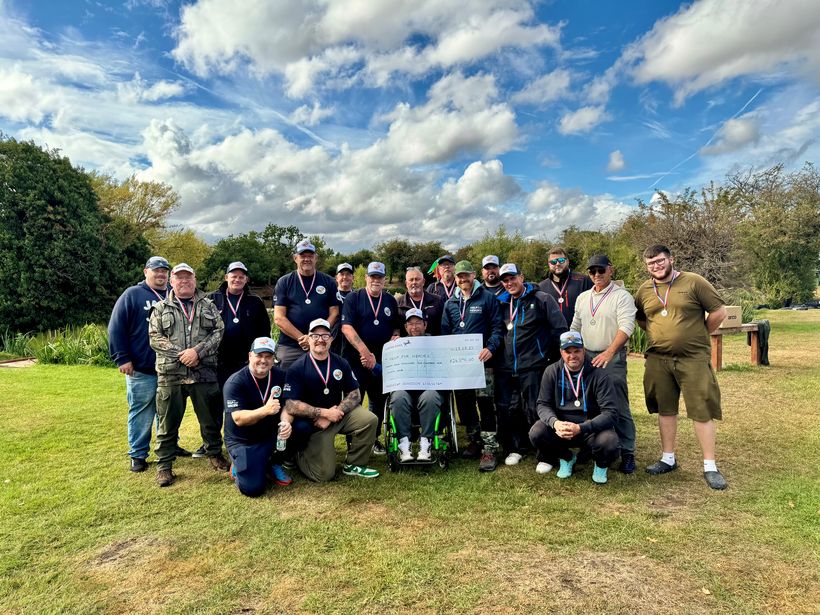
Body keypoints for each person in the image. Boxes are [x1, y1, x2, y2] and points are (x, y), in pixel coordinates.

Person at [634, 245, 728, 490]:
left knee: (702, 409)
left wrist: (700, 333)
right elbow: (642, 318)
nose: (656, 265)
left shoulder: (693, 282)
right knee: (665, 409)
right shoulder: (644, 290)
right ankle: (668, 458)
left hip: (693, 358)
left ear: (671, 259)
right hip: (659, 359)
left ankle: (710, 465)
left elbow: (719, 311)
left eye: (660, 260)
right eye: (651, 262)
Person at [148, 263, 229, 487]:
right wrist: (183, 355)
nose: (184, 281)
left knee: (210, 419)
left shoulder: (208, 306)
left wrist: (198, 352)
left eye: (188, 278)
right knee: (167, 421)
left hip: (203, 373)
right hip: (170, 374)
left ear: (195, 281)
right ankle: (164, 465)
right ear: (172, 281)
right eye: (179, 278)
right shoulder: (161, 308)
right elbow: (155, 338)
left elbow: (218, 331)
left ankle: (214, 453)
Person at [108, 256, 192, 472]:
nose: (161, 274)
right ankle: (138, 454)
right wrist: (122, 357)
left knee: (168, 411)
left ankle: (169, 446)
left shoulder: (174, 296)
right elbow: (116, 327)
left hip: (170, 368)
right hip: (142, 367)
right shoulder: (132, 295)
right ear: (146, 272)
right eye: (156, 270)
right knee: (142, 410)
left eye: (165, 271)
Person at [283, 319, 380, 481]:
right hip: (315, 423)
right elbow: (291, 405)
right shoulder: (297, 367)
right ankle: (297, 455)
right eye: (315, 335)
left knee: (369, 419)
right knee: (323, 475)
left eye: (325, 335)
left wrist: (337, 411)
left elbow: (355, 393)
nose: (320, 339)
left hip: (336, 416)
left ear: (331, 339)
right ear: (308, 338)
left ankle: (355, 464)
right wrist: (324, 413)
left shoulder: (340, 362)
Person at [570, 255, 638, 474]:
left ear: (611, 269)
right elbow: (575, 326)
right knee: (589, 403)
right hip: (587, 355)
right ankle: (593, 445)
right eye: (592, 272)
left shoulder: (622, 296)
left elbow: (627, 327)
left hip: (611, 355)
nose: (596, 275)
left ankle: (627, 451)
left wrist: (609, 352)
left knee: (617, 404)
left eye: (601, 270)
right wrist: (570, 350)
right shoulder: (583, 297)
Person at [496, 263, 567, 471]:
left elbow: (559, 330)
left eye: (513, 278)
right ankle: (518, 448)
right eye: (505, 280)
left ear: (522, 277)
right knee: (513, 409)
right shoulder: (502, 303)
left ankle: (545, 455)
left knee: (536, 409)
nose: (509, 283)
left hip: (535, 366)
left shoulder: (542, 299)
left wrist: (551, 360)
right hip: (509, 368)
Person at [529, 331, 620, 484]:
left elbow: (611, 413)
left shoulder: (599, 374)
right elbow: (542, 404)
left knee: (609, 441)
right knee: (536, 432)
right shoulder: (551, 371)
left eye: (576, 351)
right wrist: (555, 423)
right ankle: (566, 457)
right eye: (568, 352)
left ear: (584, 350)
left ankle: (600, 465)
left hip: (590, 429)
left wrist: (582, 427)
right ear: (561, 352)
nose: (572, 356)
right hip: (562, 429)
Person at [441, 260, 505, 472]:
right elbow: (445, 334)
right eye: (459, 276)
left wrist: (491, 348)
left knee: (486, 404)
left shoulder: (487, 298)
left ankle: (490, 447)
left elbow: (498, 328)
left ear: (473, 275)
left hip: (483, 362)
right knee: (465, 405)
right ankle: (475, 440)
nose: (462, 279)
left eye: (466, 275)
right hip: (460, 367)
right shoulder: (450, 303)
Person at [223, 337, 299, 496]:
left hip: (268, 435)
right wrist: (265, 410)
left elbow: (289, 405)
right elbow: (238, 418)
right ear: (250, 356)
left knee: (301, 426)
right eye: (259, 355)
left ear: (274, 358)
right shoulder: (235, 382)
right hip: (243, 440)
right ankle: (239, 462)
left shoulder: (281, 375)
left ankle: (274, 462)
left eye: (268, 356)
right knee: (253, 488)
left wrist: (286, 422)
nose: (263, 360)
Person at [341, 262, 401, 453]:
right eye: (372, 276)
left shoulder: (390, 301)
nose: (376, 280)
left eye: (379, 277)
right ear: (366, 278)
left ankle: (373, 439)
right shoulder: (353, 298)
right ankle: (354, 442)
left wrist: (396, 335)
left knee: (378, 400)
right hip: (356, 360)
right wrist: (365, 353)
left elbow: (396, 327)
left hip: (382, 362)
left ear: (384, 280)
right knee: (354, 400)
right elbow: (346, 328)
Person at [273, 239, 340, 369]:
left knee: (321, 384)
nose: (307, 259)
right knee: (286, 384)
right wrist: (304, 338)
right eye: (303, 256)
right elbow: (279, 318)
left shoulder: (328, 281)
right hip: (290, 345)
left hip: (320, 344)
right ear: (295, 258)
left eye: (310, 256)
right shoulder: (284, 282)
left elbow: (334, 313)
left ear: (316, 258)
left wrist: (316, 337)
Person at [388, 308, 444, 461]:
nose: (414, 327)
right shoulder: (398, 345)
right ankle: (404, 444)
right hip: (406, 389)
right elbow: (389, 368)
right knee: (398, 396)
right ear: (405, 327)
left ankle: (426, 442)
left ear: (425, 325)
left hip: (428, 388)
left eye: (418, 323)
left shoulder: (436, 343)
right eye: (410, 324)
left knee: (431, 396)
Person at [208, 261, 272, 388]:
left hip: (246, 362)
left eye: (241, 277)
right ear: (226, 277)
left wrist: (259, 356)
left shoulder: (255, 301)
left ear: (246, 279)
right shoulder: (212, 299)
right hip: (218, 363)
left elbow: (264, 332)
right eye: (234, 276)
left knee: (244, 399)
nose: (237, 279)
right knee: (218, 401)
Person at [538, 246, 592, 323]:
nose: (557, 264)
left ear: (567, 261)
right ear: (549, 264)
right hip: (552, 334)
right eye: (553, 262)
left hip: (579, 332)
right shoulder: (541, 287)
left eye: (561, 260)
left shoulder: (584, 281)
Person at [397, 266, 444, 336]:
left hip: (433, 345)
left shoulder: (437, 301)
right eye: (411, 280)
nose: (414, 282)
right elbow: (395, 328)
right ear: (406, 283)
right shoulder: (398, 303)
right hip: (407, 345)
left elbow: (444, 326)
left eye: (417, 279)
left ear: (423, 282)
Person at [330, 262, 354, 356]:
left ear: (353, 278)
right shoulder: (330, 295)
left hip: (352, 343)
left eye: (348, 274)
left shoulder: (358, 297)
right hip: (333, 342)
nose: (345, 277)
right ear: (336, 278)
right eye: (342, 274)